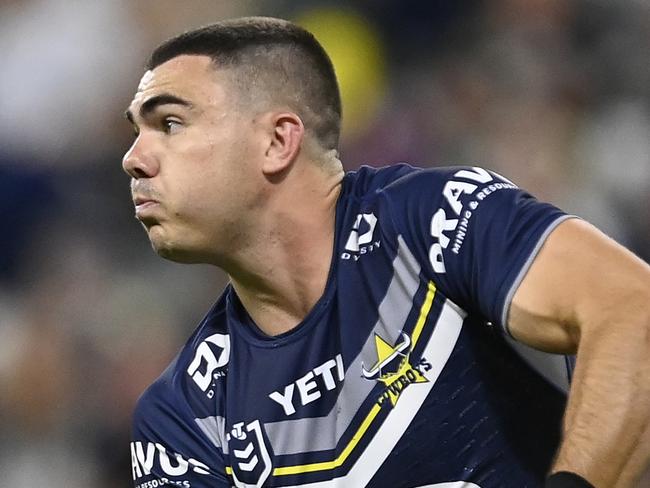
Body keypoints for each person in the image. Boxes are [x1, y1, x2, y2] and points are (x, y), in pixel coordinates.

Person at [122, 17, 650, 488]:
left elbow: (632, 310)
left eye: (169, 123)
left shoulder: (430, 220)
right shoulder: (182, 419)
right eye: (137, 131)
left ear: (278, 141)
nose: (133, 159)